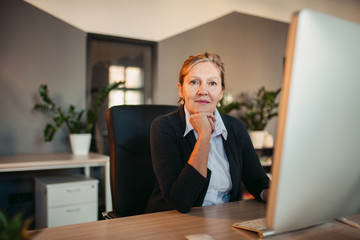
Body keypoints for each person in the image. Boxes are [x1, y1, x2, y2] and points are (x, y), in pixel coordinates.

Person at [146, 52, 270, 213]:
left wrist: (278, 197)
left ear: (221, 93)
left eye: (212, 83)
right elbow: (180, 200)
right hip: (172, 221)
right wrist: (203, 137)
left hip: (225, 220)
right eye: (194, 82)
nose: (203, 90)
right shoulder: (164, 127)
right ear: (181, 90)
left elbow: (257, 181)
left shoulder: (235, 127)